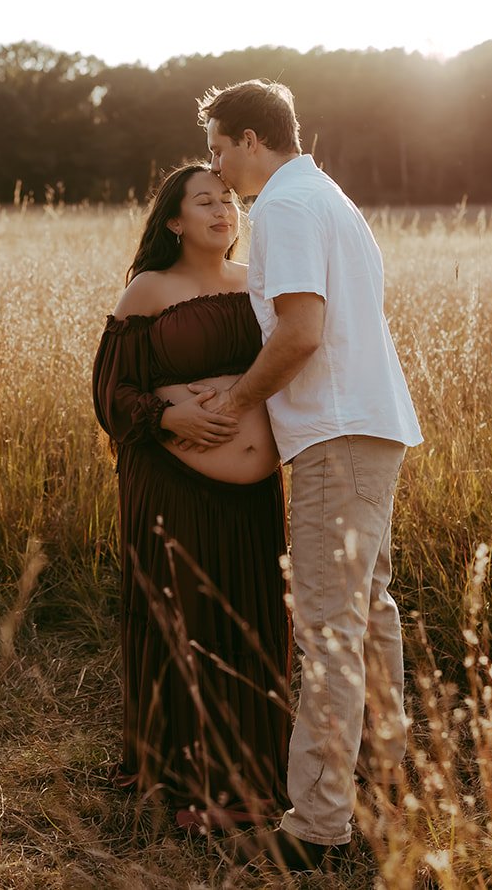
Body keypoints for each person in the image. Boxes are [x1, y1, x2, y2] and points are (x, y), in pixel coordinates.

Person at [195, 80, 423, 869]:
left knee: (330, 626)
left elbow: (300, 332)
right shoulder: (332, 197)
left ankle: (317, 824)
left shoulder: (286, 208)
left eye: (220, 147)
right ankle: (385, 784)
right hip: (373, 425)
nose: (217, 169)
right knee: (370, 612)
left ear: (253, 139)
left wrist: (235, 400)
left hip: (335, 432)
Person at [91, 162, 292, 829]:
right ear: (174, 220)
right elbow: (109, 391)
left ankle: (254, 774)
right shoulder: (149, 290)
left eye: (230, 199)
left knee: (249, 627)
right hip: (171, 489)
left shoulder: (256, 285)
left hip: (253, 496)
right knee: (189, 623)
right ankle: (188, 779)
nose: (224, 209)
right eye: (205, 200)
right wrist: (167, 417)